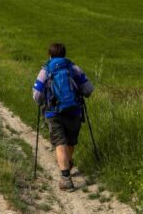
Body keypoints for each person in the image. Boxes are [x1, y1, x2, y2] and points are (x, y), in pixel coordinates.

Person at [32, 43, 94, 192]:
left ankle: (66, 179)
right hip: (74, 112)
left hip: (54, 113)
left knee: (60, 143)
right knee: (71, 141)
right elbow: (88, 90)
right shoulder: (74, 69)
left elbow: (37, 96)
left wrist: (42, 102)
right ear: (64, 54)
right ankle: (68, 163)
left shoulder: (45, 71)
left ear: (50, 55)